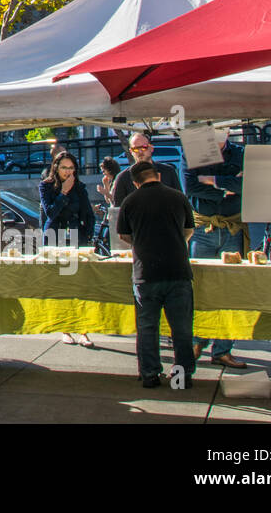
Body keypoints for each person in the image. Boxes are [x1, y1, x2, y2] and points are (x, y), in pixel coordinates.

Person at [117, 160, 196, 389]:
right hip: (178, 271)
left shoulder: (130, 201)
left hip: (145, 273)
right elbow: (189, 229)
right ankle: (182, 377)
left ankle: (150, 374)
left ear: (135, 182)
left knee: (147, 328)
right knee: (181, 329)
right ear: (157, 176)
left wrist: (142, 242)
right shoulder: (178, 197)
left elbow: (123, 235)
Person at [184, 130, 249, 370]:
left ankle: (223, 349)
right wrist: (227, 186)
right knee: (198, 288)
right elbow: (190, 185)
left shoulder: (241, 153)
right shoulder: (193, 150)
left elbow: (248, 183)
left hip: (232, 227)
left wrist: (211, 180)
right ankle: (197, 341)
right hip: (204, 227)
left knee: (229, 290)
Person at [38, 152, 95, 347]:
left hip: (76, 238)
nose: (68, 172)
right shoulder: (46, 186)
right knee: (62, 286)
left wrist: (86, 236)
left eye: (71, 168)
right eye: (64, 167)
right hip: (55, 237)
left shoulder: (80, 188)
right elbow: (50, 213)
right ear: (56, 168)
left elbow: (88, 214)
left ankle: (84, 331)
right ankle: (65, 329)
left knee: (81, 285)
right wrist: (63, 192)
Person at [111, 133, 183, 207]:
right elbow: (118, 210)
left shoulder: (168, 171)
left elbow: (180, 202)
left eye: (143, 147)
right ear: (131, 152)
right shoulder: (123, 177)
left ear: (151, 148)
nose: (140, 152)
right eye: (135, 149)